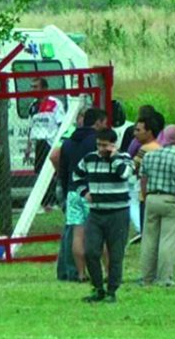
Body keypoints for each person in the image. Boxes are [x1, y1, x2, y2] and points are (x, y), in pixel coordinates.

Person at [73, 128, 134, 303]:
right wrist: (84, 192)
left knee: (115, 254)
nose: (100, 148)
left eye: (104, 145)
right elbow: (76, 176)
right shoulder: (89, 158)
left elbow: (125, 174)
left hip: (118, 212)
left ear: (113, 144)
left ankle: (112, 290)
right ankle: (98, 288)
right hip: (96, 212)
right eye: (98, 144)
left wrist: (113, 157)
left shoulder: (124, 159)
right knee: (91, 251)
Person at [139, 126, 175, 287]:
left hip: (152, 198)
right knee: (168, 241)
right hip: (171, 199)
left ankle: (147, 276)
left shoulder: (150, 156)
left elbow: (143, 179)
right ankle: (164, 278)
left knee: (149, 239)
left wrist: (146, 195)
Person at [56, 108, 107, 282]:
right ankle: (104, 272)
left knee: (76, 233)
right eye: (104, 122)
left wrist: (66, 188)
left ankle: (78, 272)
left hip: (73, 191)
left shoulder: (69, 141)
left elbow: (61, 168)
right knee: (100, 233)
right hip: (92, 191)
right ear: (98, 122)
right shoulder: (97, 141)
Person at [26, 78, 65, 211]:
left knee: (52, 173)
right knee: (39, 173)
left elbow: (61, 124)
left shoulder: (55, 103)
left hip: (51, 142)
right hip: (39, 142)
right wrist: (29, 146)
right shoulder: (33, 106)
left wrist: (59, 143)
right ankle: (43, 202)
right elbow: (31, 127)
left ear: (44, 88)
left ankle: (53, 201)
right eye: (32, 87)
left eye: (35, 86)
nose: (33, 90)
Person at [131, 114, 164, 239]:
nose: (135, 133)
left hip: (145, 193)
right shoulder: (159, 147)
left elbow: (133, 168)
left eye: (139, 130)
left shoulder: (144, 149)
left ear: (149, 132)